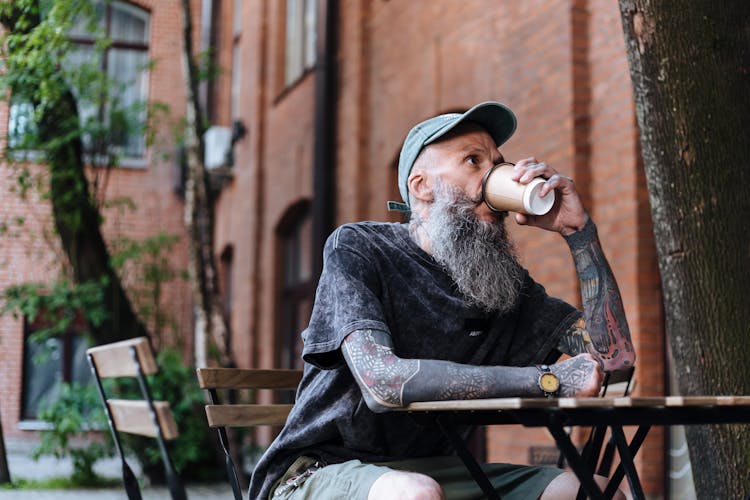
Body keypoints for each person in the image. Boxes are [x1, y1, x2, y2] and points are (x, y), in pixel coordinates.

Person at [248, 101, 636, 500]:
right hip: (314, 472)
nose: (495, 177)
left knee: (596, 493)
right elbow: (384, 382)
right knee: (414, 494)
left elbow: (615, 360)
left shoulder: (501, 283)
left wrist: (579, 232)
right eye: (473, 161)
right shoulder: (360, 248)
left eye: (498, 163)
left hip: (431, 471)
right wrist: (548, 381)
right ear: (422, 186)